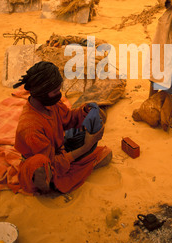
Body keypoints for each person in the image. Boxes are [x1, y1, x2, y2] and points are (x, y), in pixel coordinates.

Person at [13, 61, 112, 194]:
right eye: (55, 91)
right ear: (42, 93)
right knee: (40, 165)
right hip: (47, 165)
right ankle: (48, 187)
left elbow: (69, 119)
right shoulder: (30, 128)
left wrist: (85, 111)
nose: (59, 94)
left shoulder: (50, 103)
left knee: (106, 155)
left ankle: (66, 174)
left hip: (59, 154)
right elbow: (52, 163)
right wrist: (86, 147)